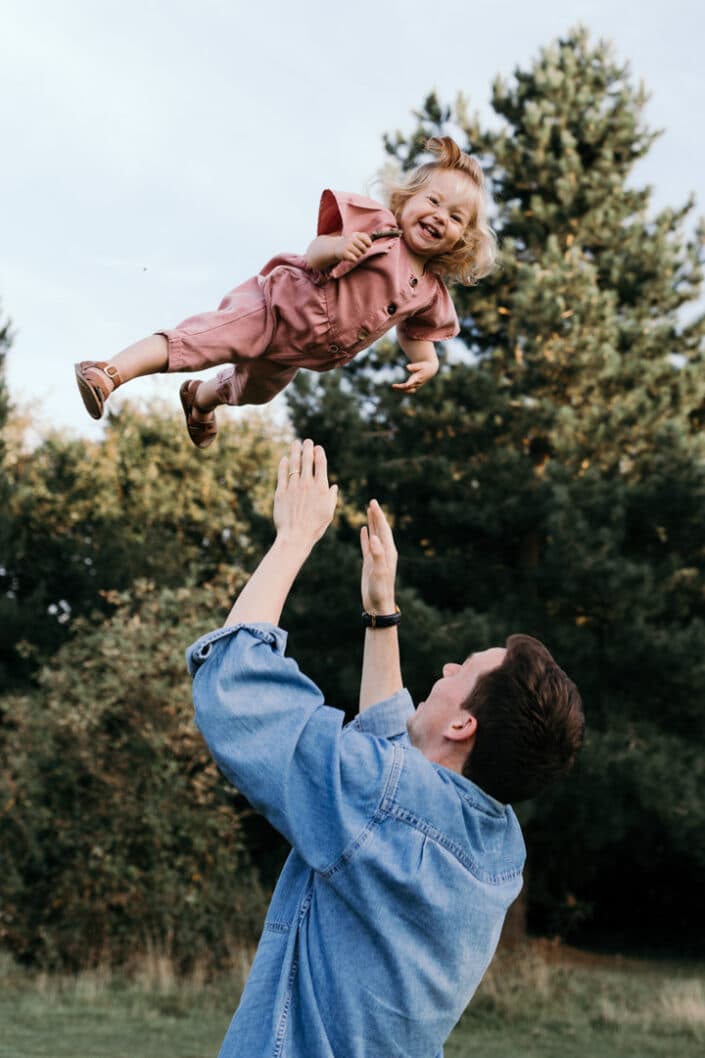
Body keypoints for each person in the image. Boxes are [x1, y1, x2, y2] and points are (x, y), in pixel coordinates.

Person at [186, 438, 585, 1058]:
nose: (449, 665)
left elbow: (237, 686)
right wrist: (381, 613)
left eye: (463, 673)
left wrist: (293, 538)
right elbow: (397, 768)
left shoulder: (383, 800)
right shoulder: (499, 851)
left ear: (462, 728)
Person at [75, 137, 496, 448]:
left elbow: (415, 333)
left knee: (252, 392)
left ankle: (200, 400)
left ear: (463, 239)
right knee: (201, 341)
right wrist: (338, 247)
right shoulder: (381, 228)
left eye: (456, 217)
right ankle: (109, 372)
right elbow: (314, 253)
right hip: (276, 308)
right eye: (434, 202)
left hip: (300, 353)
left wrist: (427, 365)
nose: (440, 217)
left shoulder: (431, 293)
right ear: (407, 200)